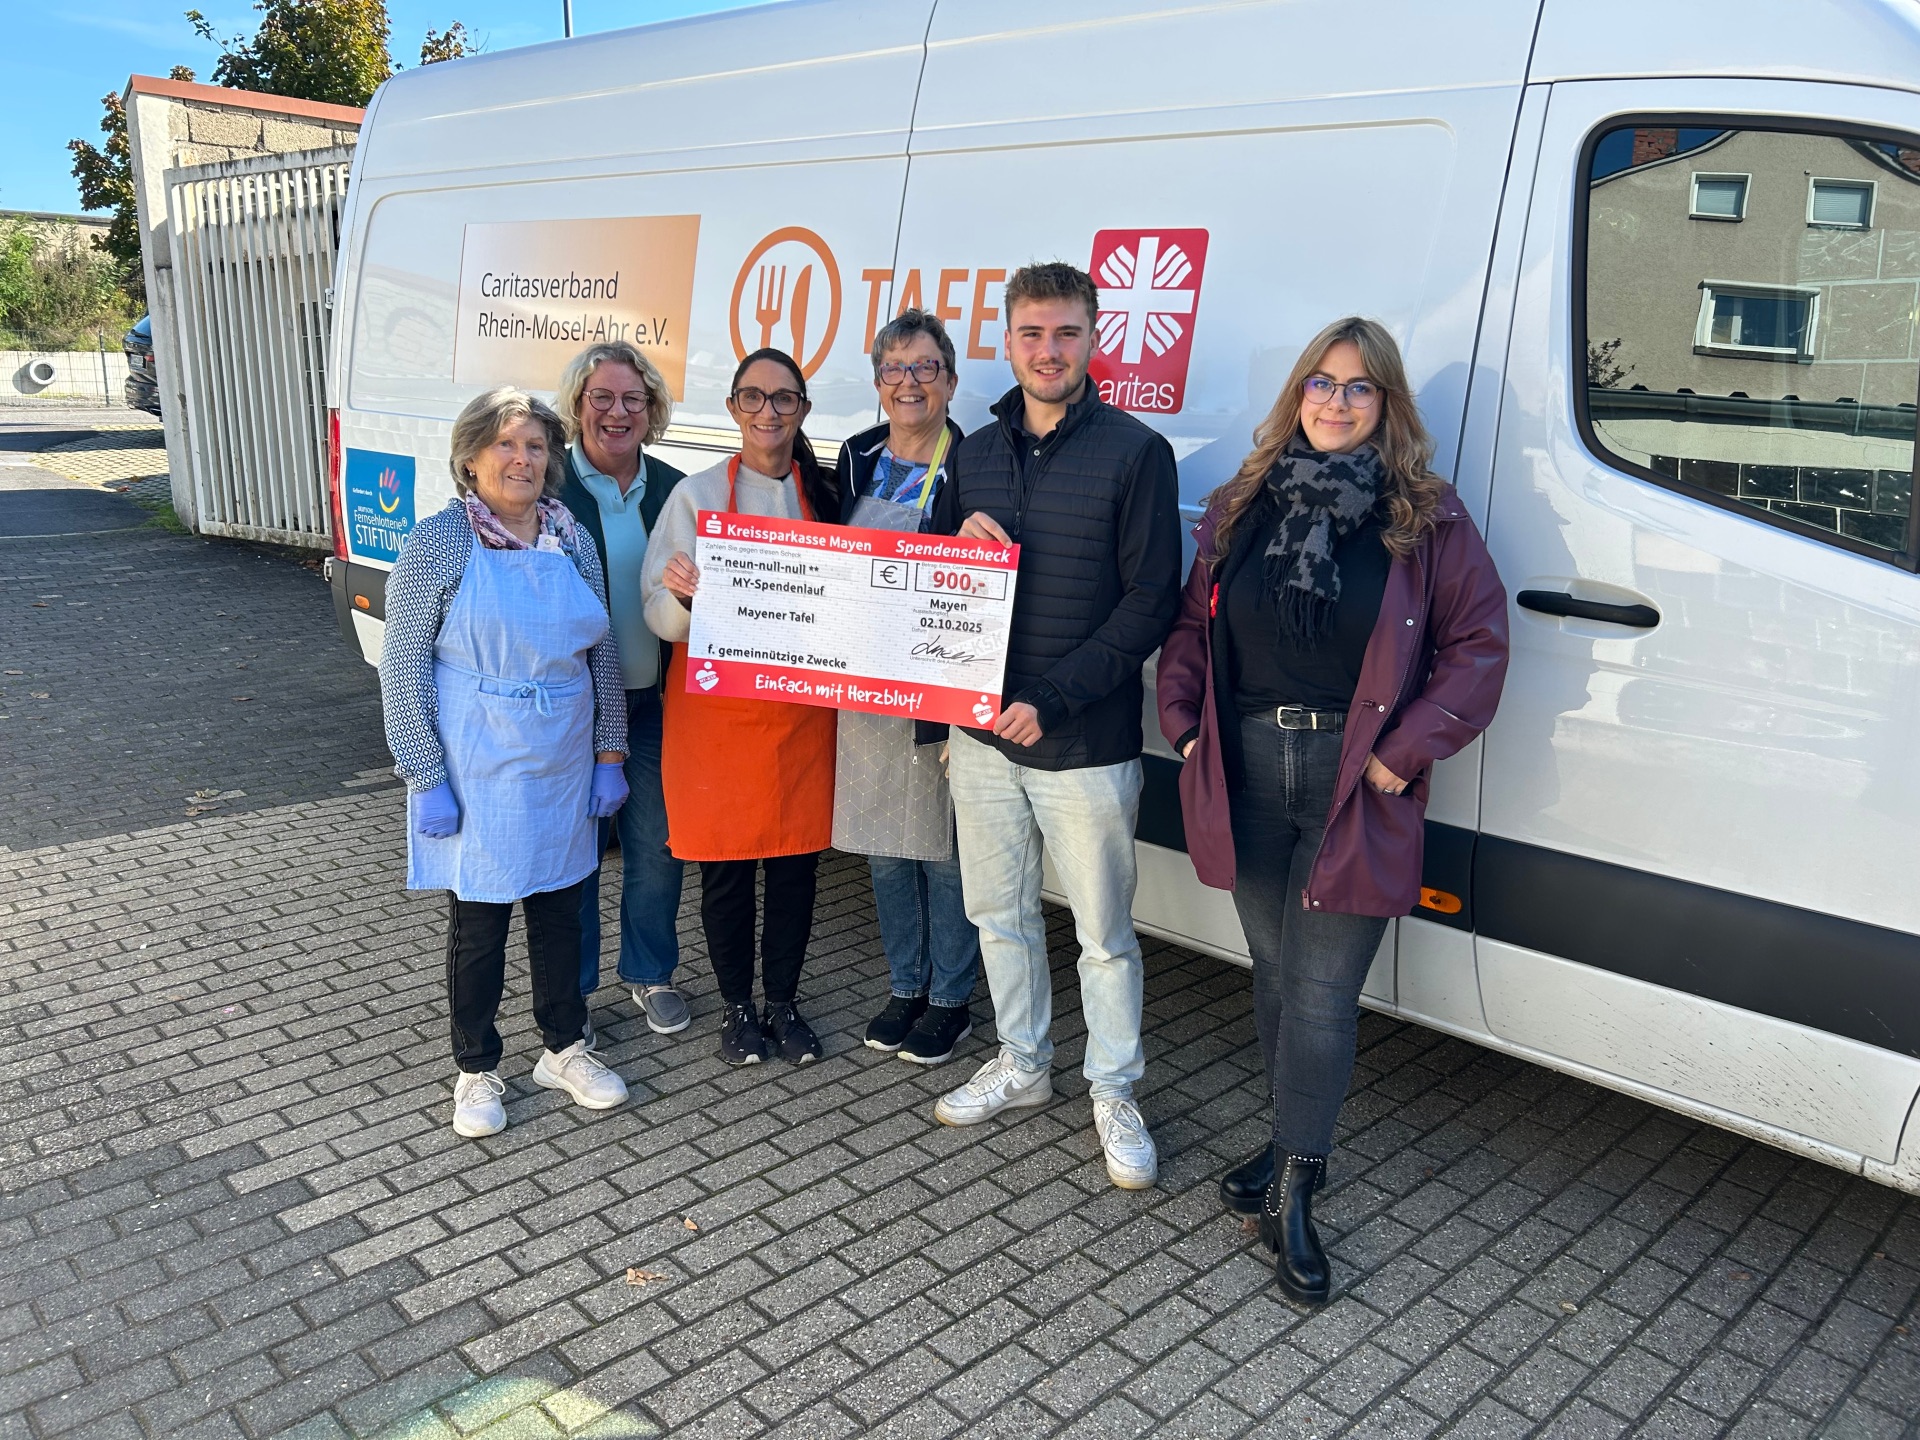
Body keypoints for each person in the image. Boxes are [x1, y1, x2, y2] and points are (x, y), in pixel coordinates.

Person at [1156, 317, 1509, 1306]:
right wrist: (1187, 730)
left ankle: (1299, 1190)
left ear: (1387, 406)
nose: (1337, 402)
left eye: (1360, 388)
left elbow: (1479, 645)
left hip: (1357, 778)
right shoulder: (1243, 504)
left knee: (1320, 995)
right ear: (1298, 395)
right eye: (1322, 382)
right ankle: (1283, 1149)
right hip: (1252, 764)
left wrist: (1404, 755)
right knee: (1275, 975)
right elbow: (1191, 628)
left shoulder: (1427, 518)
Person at [928, 262, 1182, 1191]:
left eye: (1066, 333)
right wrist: (949, 549)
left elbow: (1153, 601)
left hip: (1084, 742)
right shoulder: (973, 452)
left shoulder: (1135, 452)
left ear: (1093, 338)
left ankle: (1114, 1089)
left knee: (1104, 933)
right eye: (1031, 333)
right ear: (1007, 339)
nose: (1048, 350)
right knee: (998, 913)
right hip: (981, 735)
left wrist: (1058, 696)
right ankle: (1024, 1064)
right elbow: (933, 583)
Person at [380, 387, 633, 1139]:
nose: (521, 459)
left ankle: (563, 1047)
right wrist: (424, 775)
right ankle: (476, 1067)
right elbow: (403, 668)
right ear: (470, 457)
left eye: (534, 446)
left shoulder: (569, 537)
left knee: (561, 910)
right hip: (476, 758)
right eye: (504, 444)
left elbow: (604, 651)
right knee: (480, 920)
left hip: (560, 754)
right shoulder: (439, 543)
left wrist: (608, 753)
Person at [640, 348, 839, 1066]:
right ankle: (735, 1008)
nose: (768, 412)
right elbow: (657, 610)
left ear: (803, 411)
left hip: (800, 720)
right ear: (732, 409)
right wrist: (687, 596)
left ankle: (783, 1004)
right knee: (725, 872)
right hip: (718, 720)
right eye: (753, 398)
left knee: (793, 871)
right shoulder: (693, 498)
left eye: (783, 399)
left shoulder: (827, 497)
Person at [832, 310, 982, 1066]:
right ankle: (906, 984)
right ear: (879, 384)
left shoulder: (981, 459)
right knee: (883, 846)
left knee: (944, 849)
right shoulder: (855, 455)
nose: (909, 383)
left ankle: (952, 997)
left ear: (951, 381)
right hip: (864, 677)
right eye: (894, 369)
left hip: (940, 674)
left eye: (925, 368)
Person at [554, 341, 691, 1042]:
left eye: (632, 400)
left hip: (654, 706)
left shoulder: (675, 489)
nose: (616, 412)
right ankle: (572, 992)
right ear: (577, 405)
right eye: (601, 398)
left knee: (657, 846)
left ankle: (649, 972)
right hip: (573, 712)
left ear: (652, 410)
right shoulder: (547, 489)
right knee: (576, 855)